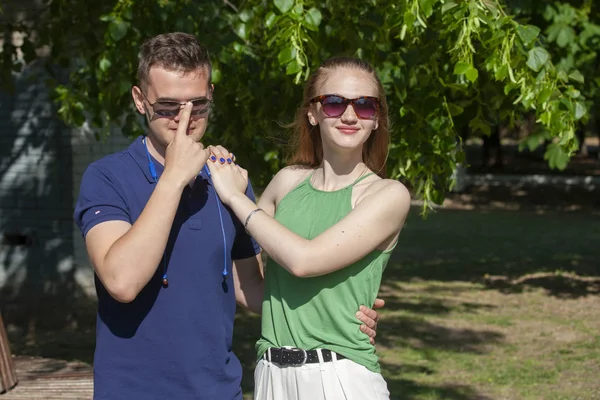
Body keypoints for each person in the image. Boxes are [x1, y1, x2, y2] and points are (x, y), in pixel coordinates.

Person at [73, 33, 381, 400]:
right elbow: (122, 282)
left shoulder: (225, 182)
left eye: (198, 106)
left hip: (219, 391)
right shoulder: (107, 176)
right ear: (140, 100)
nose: (184, 120)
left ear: (212, 96)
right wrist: (173, 178)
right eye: (169, 107)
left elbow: (251, 288)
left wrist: (340, 307)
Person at [205, 56, 411, 400]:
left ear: (376, 119)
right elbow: (254, 290)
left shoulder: (388, 195)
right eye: (333, 103)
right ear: (312, 114)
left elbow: (304, 261)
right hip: (271, 375)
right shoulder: (286, 183)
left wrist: (236, 198)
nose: (349, 115)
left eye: (364, 105)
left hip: (339, 376)